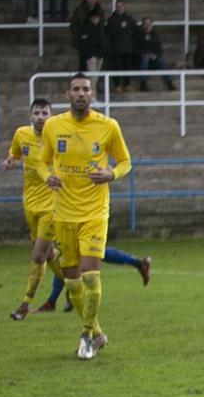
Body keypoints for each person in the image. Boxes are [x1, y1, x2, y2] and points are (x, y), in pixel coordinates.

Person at [34, 75, 131, 359]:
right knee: (73, 282)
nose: (81, 93)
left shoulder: (108, 126)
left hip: (94, 212)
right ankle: (97, 332)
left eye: (85, 89)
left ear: (92, 94)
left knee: (91, 276)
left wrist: (111, 173)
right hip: (63, 212)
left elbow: (126, 161)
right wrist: (47, 175)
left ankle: (86, 336)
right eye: (76, 89)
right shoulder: (54, 125)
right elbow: (42, 161)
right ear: (68, 94)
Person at [3, 97, 62, 320]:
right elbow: (15, 154)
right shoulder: (21, 134)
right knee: (48, 255)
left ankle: (25, 304)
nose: (40, 117)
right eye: (36, 113)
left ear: (51, 115)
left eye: (44, 113)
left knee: (38, 256)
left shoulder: (57, 137)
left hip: (51, 205)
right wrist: (9, 162)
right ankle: (73, 284)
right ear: (31, 115)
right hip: (29, 203)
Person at [137, 17, 173, 91]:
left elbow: (160, 50)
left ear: (151, 25)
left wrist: (155, 55)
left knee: (162, 61)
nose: (147, 25)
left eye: (149, 24)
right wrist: (145, 55)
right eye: (145, 24)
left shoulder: (155, 35)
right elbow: (136, 49)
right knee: (144, 61)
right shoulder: (138, 36)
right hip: (142, 59)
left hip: (154, 59)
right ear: (142, 25)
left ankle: (169, 83)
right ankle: (143, 85)